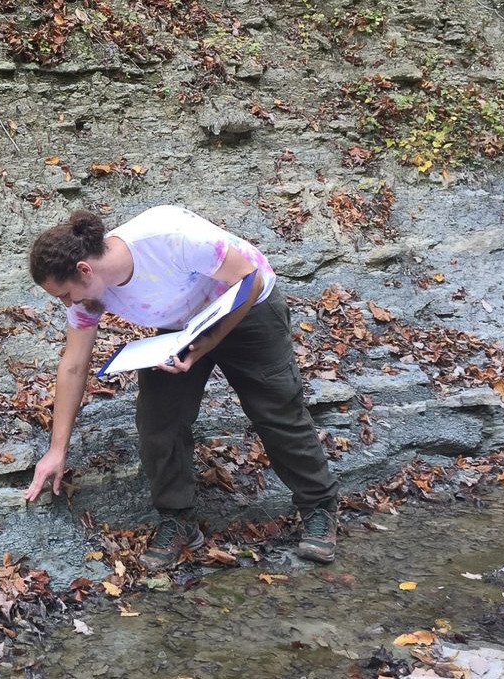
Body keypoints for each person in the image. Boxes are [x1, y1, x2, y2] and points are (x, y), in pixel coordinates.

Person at [23, 205, 340, 567]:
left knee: (276, 410)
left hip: (249, 306)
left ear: (84, 269)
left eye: (65, 294)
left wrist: (206, 344)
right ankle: (178, 519)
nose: (67, 303)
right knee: (159, 419)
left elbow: (248, 278)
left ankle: (318, 507)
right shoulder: (90, 292)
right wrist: (57, 449)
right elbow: (74, 365)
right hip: (180, 327)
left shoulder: (169, 238)